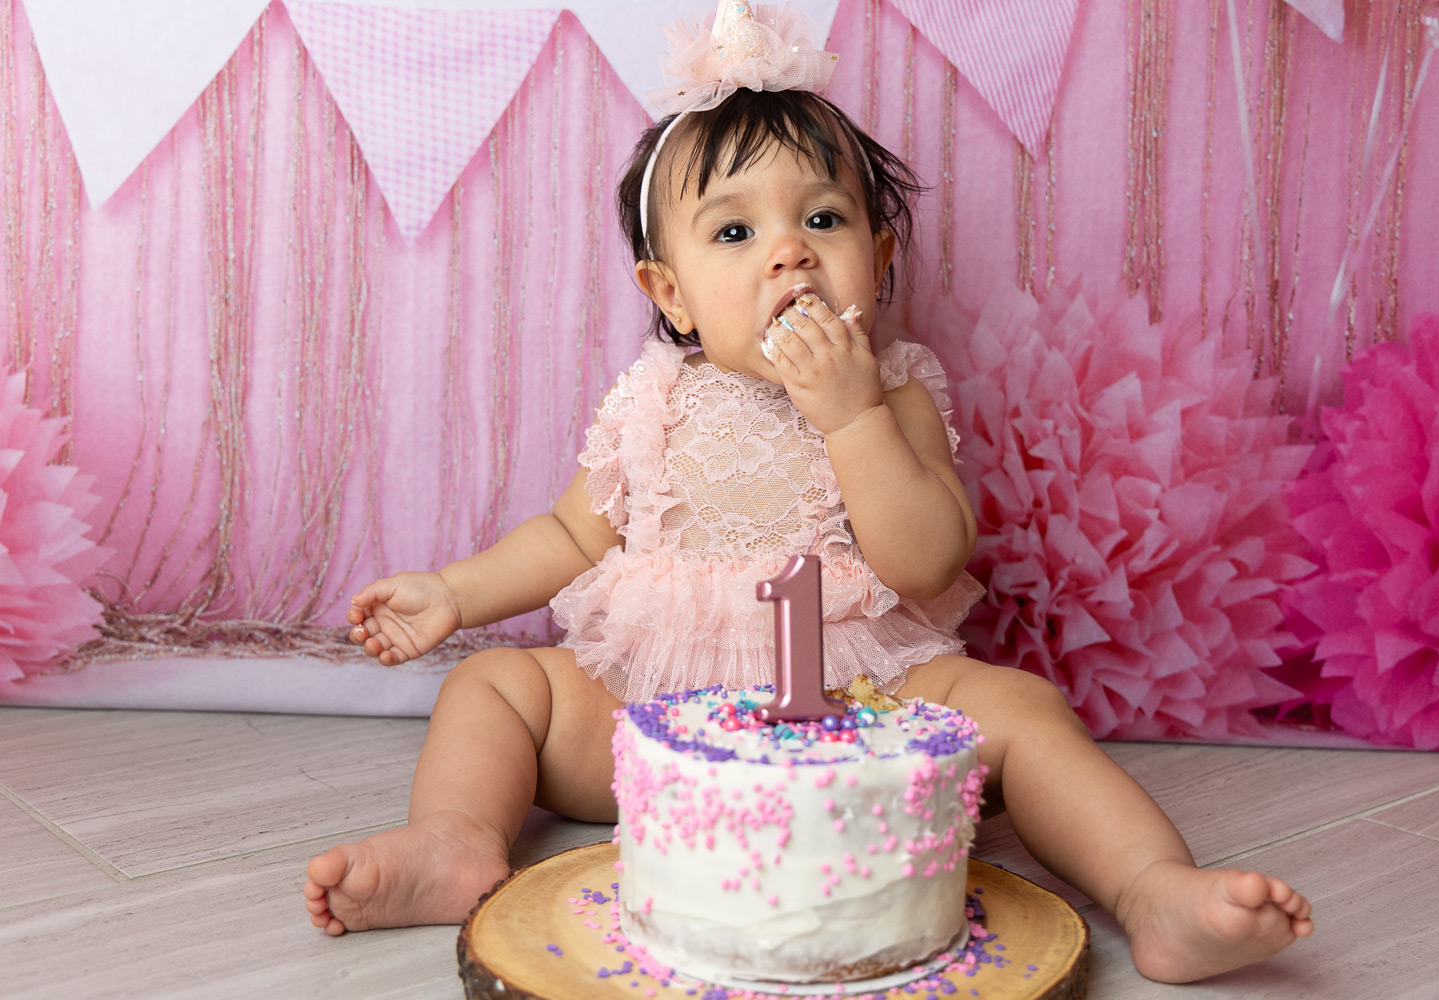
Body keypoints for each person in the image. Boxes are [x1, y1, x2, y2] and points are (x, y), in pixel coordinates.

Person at [304, 2, 1312, 983]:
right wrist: (454, 592)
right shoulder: (652, 401)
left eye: (821, 219)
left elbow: (925, 559)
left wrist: (851, 414)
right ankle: (454, 843)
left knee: (1022, 708)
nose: (788, 250)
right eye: (733, 234)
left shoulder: (899, 386)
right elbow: (572, 531)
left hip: (865, 699)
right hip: (650, 718)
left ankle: (1153, 888)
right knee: (493, 687)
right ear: (672, 295)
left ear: (874, 260)